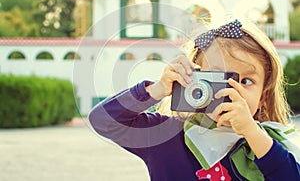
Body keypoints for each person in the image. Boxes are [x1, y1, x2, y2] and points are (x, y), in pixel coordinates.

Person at [88, 19, 300, 180]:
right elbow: (103, 120)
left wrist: (253, 133)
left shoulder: (271, 145)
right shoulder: (166, 136)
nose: (230, 90)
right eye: (219, 77)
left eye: (246, 81)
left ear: (263, 96)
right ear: (195, 80)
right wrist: (157, 89)